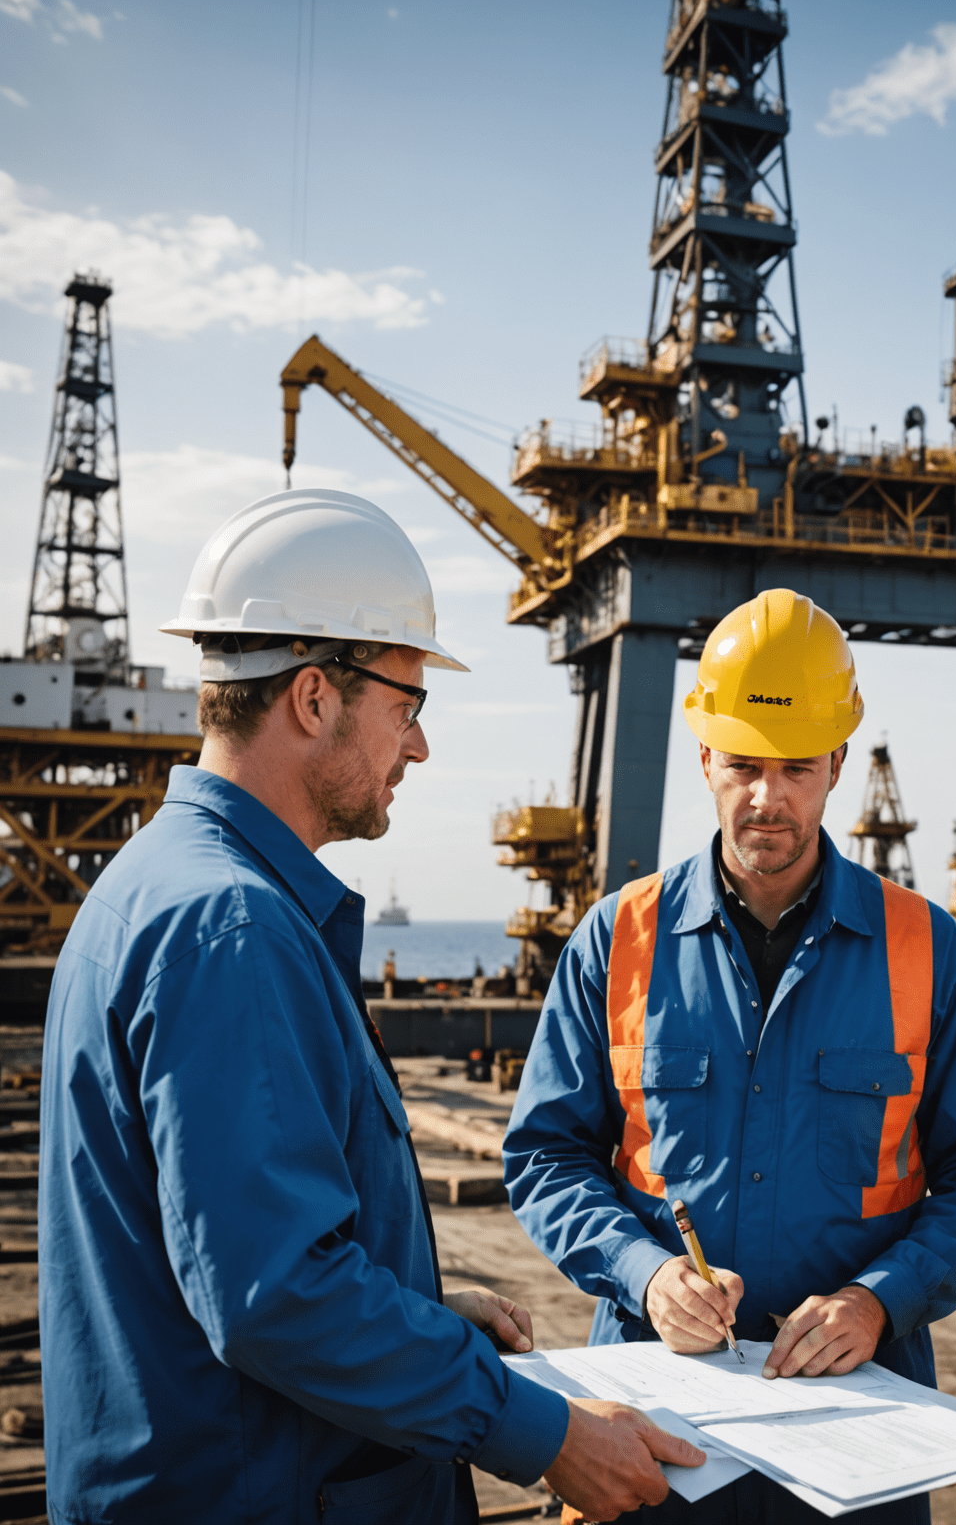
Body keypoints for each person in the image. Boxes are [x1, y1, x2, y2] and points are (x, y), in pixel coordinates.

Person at [40, 489, 700, 1524]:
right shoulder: (235, 931)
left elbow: (224, 1244)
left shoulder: (154, 885)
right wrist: (546, 1436)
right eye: (408, 706)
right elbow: (273, 1296)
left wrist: (420, 1309)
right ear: (313, 698)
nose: (421, 747)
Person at [505, 588, 956, 1523]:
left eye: (795, 768)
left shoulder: (930, 950)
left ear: (837, 762)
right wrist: (644, 1271)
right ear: (703, 754)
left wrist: (881, 1300)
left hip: (858, 1443)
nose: (767, 797)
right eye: (743, 764)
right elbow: (545, 1154)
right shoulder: (614, 939)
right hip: (653, 1435)